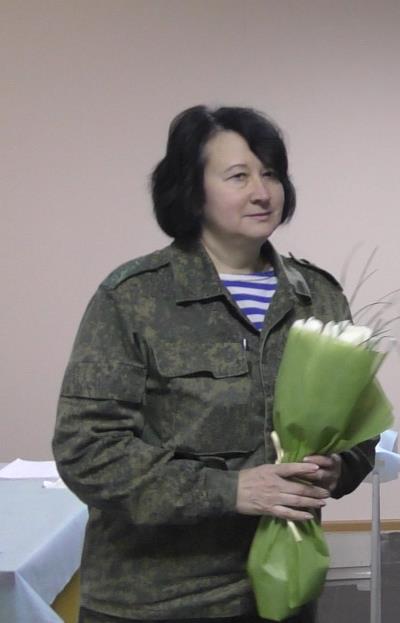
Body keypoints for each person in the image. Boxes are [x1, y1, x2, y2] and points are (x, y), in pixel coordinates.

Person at [53, 106, 376, 623]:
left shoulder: (318, 297)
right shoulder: (133, 298)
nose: (262, 192)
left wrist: (339, 466)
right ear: (192, 189)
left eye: (271, 173)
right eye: (238, 176)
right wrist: (231, 490)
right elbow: (87, 450)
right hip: (159, 600)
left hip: (283, 586)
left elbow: (361, 428)